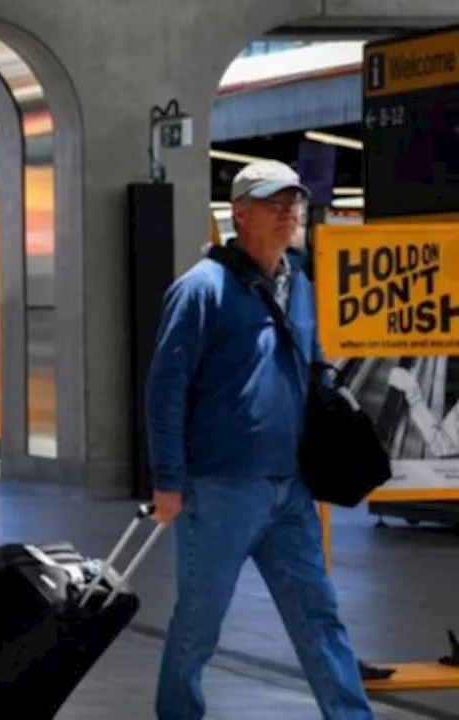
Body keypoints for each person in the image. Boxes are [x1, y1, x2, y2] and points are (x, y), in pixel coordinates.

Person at [145, 160, 374, 719]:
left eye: (293, 204)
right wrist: (168, 482)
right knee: (199, 623)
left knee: (320, 617)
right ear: (240, 214)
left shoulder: (300, 285)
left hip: (289, 490)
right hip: (218, 489)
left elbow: (312, 369)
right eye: (275, 205)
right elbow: (165, 390)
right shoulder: (201, 290)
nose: (288, 215)